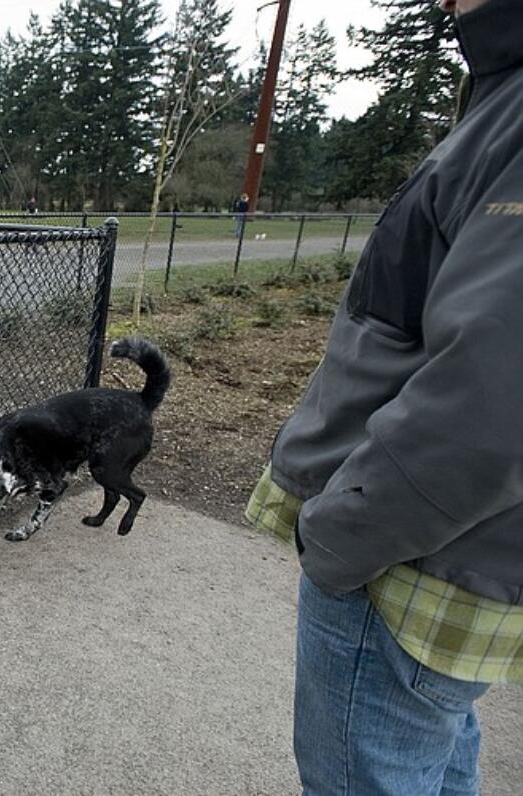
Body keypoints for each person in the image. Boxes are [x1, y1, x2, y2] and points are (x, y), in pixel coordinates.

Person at [245, 0, 522, 792]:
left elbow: (496, 399)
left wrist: (344, 532)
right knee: (435, 758)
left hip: (406, 564)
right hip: (443, 553)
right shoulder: (501, 94)